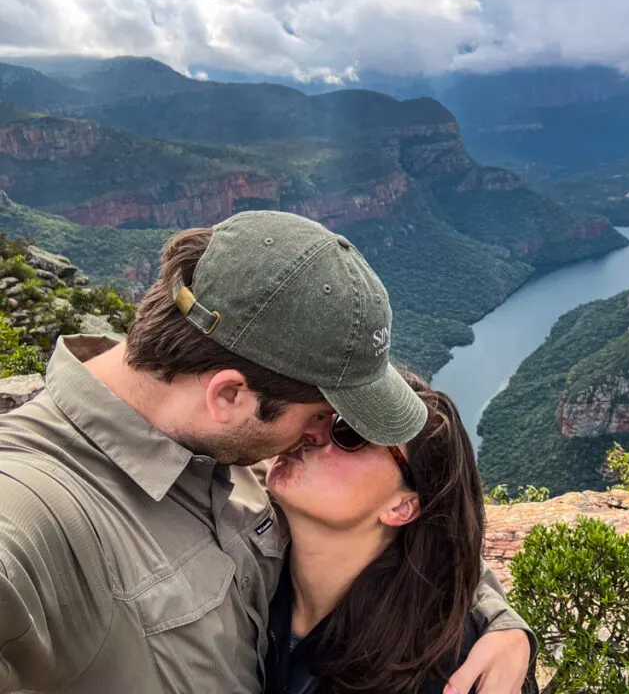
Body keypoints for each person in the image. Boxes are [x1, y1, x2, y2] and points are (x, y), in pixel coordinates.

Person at [0, 211, 533, 693]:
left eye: (345, 429)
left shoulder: (228, 449)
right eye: (323, 417)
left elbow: (416, 523)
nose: (316, 436)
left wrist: (494, 620)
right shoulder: (37, 506)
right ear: (230, 395)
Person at [263, 372, 535, 694]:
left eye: (349, 432)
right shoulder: (246, 568)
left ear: (402, 508)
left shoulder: (447, 671)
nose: (309, 431)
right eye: (319, 414)